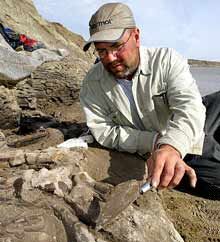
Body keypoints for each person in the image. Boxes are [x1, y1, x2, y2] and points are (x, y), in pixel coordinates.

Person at [80, 2, 220, 197]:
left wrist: (171, 145)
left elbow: (190, 107)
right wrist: (156, 142)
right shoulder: (91, 85)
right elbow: (103, 131)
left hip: (180, 127)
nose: (110, 58)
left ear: (136, 37)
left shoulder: (167, 59)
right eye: (101, 51)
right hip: (170, 146)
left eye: (116, 46)